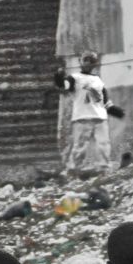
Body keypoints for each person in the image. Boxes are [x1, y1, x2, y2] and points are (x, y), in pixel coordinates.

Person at [53, 50, 124, 178]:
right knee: (80, 146)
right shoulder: (74, 78)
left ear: (94, 65)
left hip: (100, 117)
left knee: (103, 144)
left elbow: (105, 101)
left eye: (91, 61)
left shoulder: (98, 80)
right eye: (85, 60)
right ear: (80, 62)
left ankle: (104, 169)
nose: (88, 63)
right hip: (82, 117)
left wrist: (118, 112)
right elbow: (64, 85)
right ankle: (73, 170)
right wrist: (59, 76)